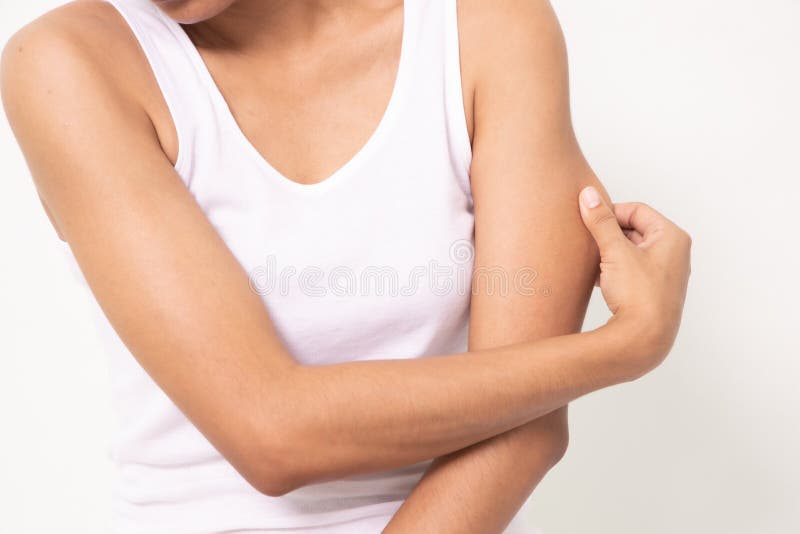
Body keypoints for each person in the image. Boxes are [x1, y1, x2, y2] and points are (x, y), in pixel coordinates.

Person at [1, 0, 691, 532]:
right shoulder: (68, 63)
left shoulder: (486, 28)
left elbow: (527, 429)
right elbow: (272, 435)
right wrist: (622, 348)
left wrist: (581, 364)